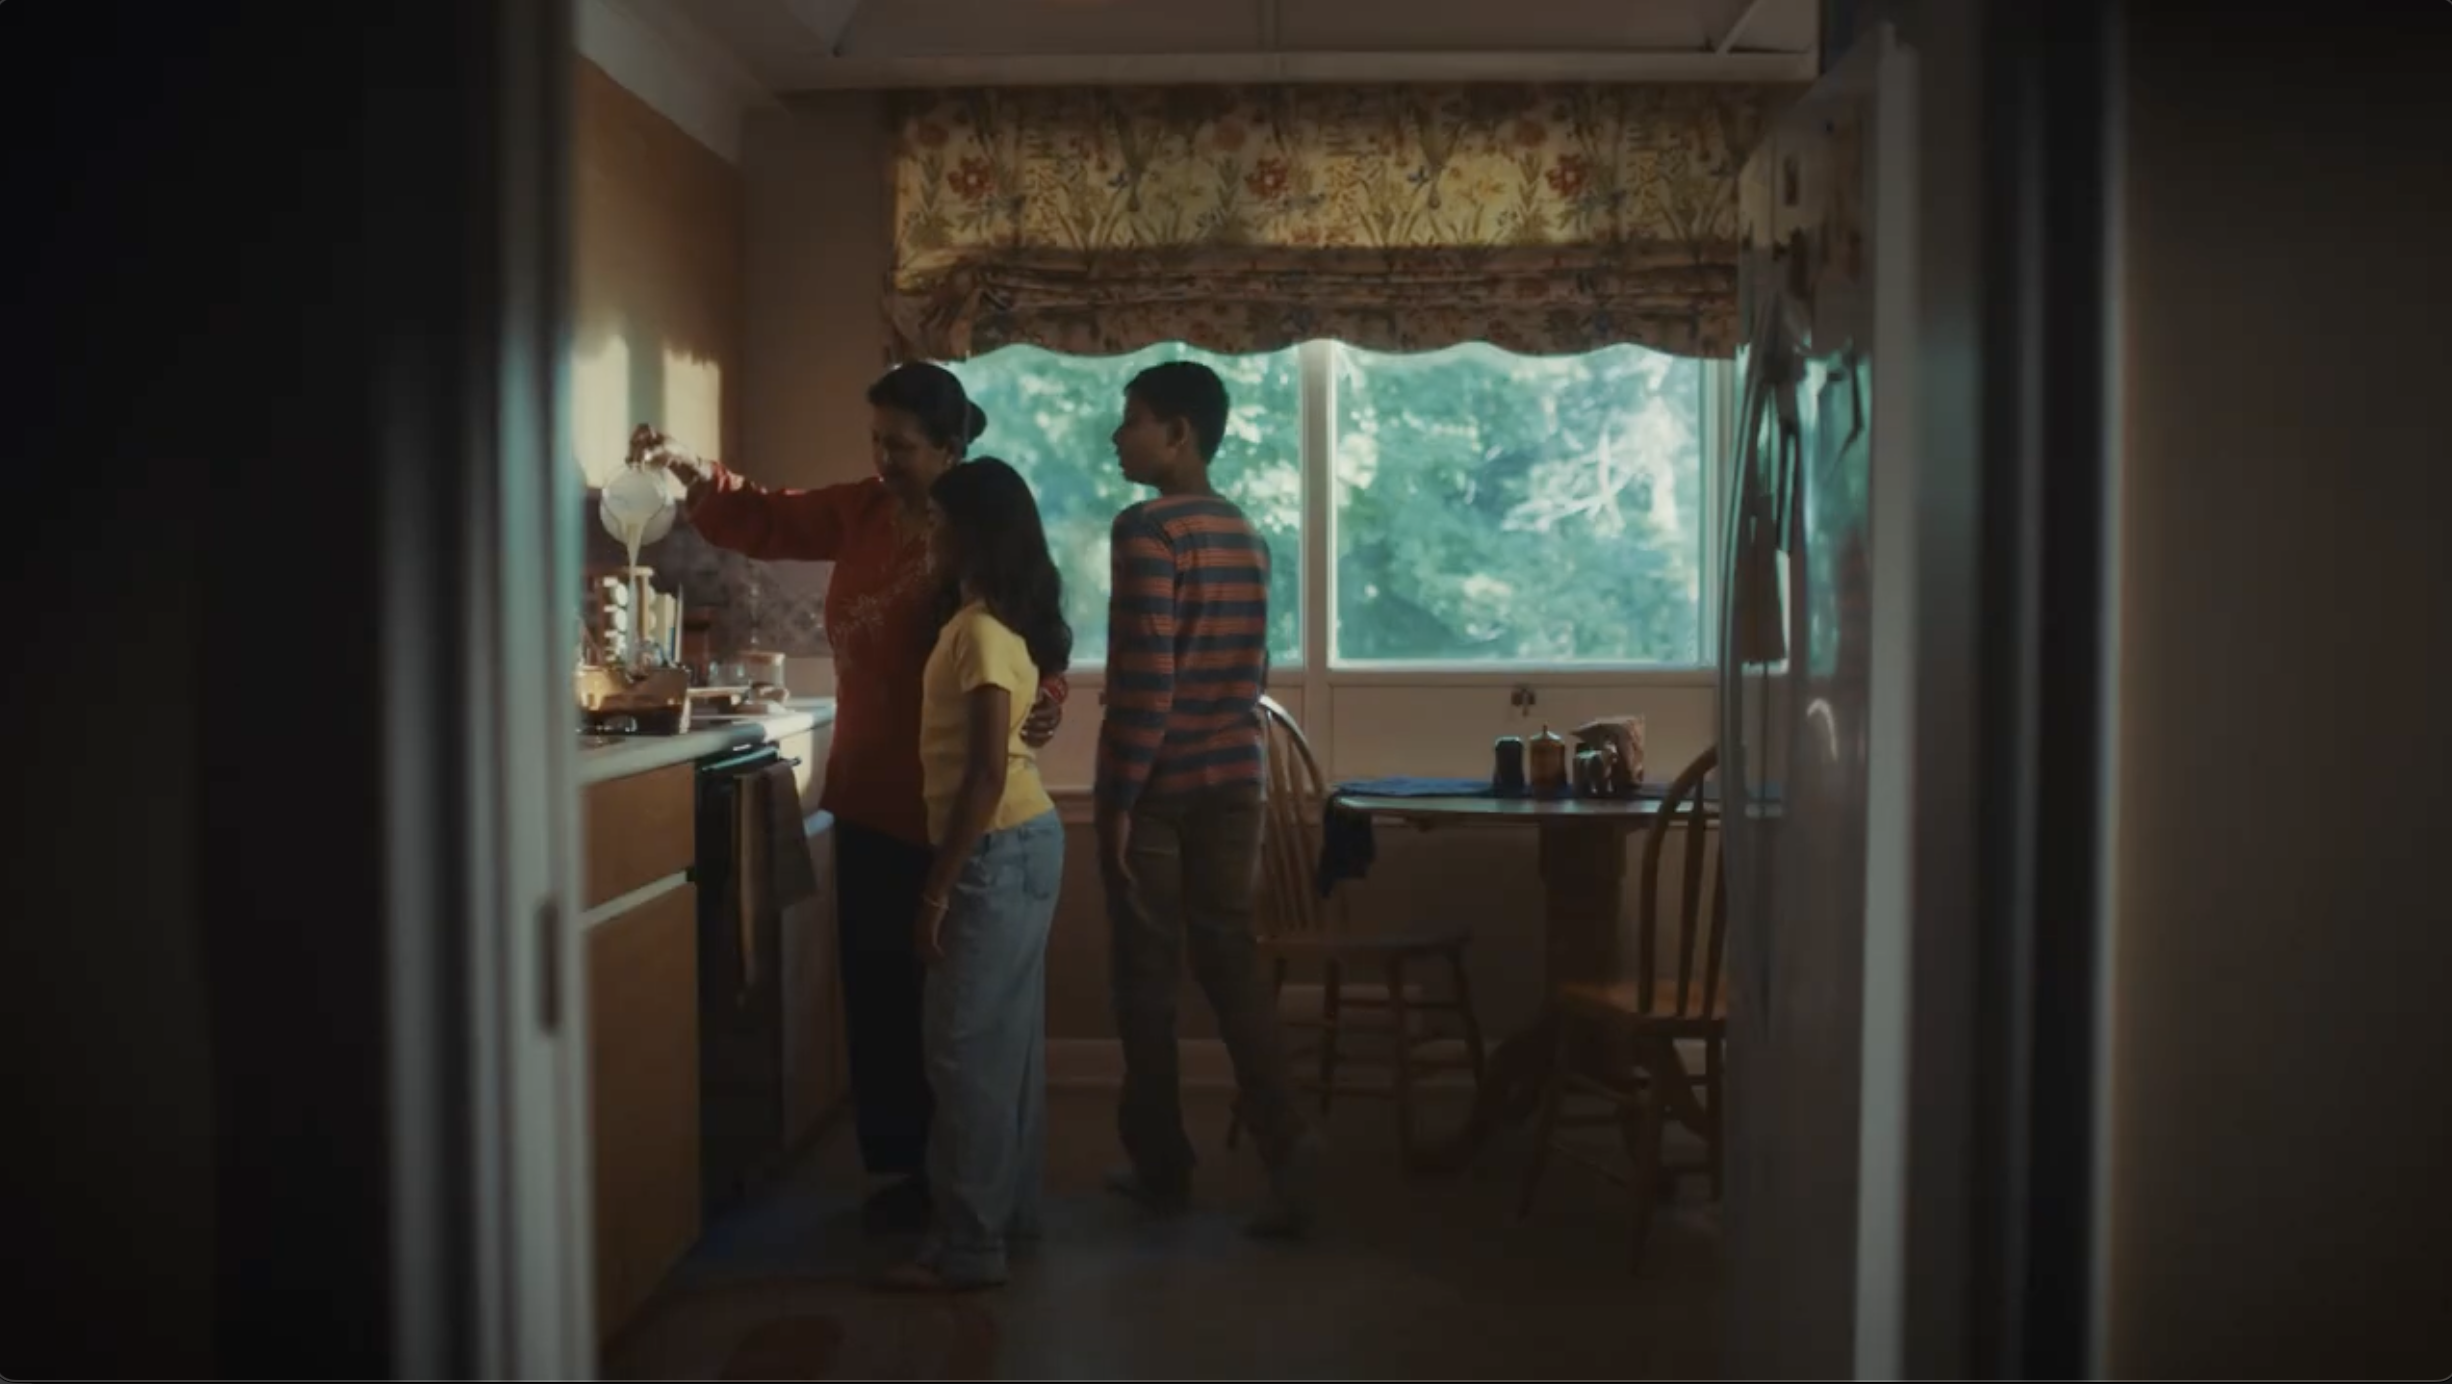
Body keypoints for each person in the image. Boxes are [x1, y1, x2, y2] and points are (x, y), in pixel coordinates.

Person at [626, 363, 1065, 1233]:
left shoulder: (972, 530)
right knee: (880, 997)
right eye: (876, 442)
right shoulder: (862, 510)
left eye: (901, 446)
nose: (883, 461)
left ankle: (964, 1192)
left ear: (950, 449)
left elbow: (1031, 625)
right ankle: (908, 1176)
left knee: (953, 1017)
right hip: (865, 790)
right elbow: (768, 516)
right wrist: (688, 466)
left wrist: (1045, 697)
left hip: (947, 812)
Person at [1094, 361, 1316, 1238]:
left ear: (1179, 433)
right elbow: (1253, 669)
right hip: (1237, 779)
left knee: (1146, 981)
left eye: (1132, 420)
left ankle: (1162, 1167)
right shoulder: (1246, 533)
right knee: (1233, 969)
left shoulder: (1147, 529)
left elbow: (1148, 679)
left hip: (1158, 787)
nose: (1118, 437)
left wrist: (1118, 799)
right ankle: (1290, 1158)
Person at [879, 457, 1071, 1293]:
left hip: (997, 849)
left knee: (962, 1052)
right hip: (1021, 843)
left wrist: (935, 890)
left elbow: (986, 773)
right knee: (1004, 1047)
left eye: (937, 520)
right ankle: (1005, 1220)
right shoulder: (988, 625)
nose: (927, 533)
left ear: (970, 532)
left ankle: (969, 1247)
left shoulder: (983, 633)